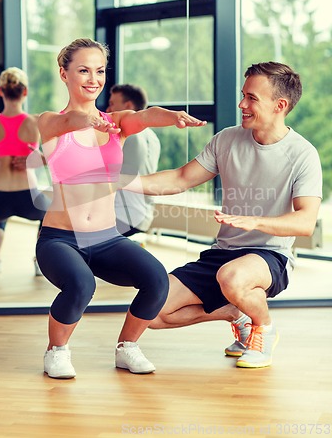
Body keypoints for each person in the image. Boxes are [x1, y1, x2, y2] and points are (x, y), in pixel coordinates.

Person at [126, 61, 322, 369]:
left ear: (279, 105)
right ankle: (235, 312)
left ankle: (263, 329)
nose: (242, 104)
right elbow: (179, 179)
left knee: (232, 277)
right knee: (153, 310)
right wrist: (123, 183)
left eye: (252, 98)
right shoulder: (227, 140)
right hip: (223, 254)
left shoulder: (302, 154)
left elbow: (305, 221)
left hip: (269, 256)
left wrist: (257, 222)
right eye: (243, 95)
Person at [35, 37, 207, 379]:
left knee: (156, 278)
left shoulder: (116, 124)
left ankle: (127, 347)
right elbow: (67, 124)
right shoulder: (50, 122)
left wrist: (172, 117)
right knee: (81, 284)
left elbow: (144, 116)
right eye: (83, 70)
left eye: (99, 71)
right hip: (59, 239)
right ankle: (57, 351)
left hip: (105, 238)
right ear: (64, 73)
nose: (93, 79)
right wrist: (86, 121)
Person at [0, 67, 50, 277]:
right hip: (27, 196)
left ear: (0, 91)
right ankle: (39, 261)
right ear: (25, 92)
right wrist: (42, 157)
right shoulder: (36, 121)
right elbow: (57, 149)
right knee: (48, 216)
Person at [107, 84, 161, 237]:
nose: (108, 110)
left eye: (112, 104)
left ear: (128, 106)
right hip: (144, 216)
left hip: (122, 216)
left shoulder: (123, 134)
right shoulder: (153, 137)